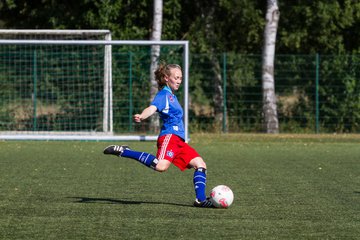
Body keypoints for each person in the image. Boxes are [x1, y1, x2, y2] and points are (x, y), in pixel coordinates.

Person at [103, 62, 213, 208]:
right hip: (169, 137)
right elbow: (152, 108)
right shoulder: (164, 95)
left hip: (180, 141)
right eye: (176, 77)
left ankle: (200, 199)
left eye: (181, 77)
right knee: (161, 166)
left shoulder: (172, 96)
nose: (179, 80)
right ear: (167, 78)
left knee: (200, 164)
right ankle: (125, 151)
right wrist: (142, 116)